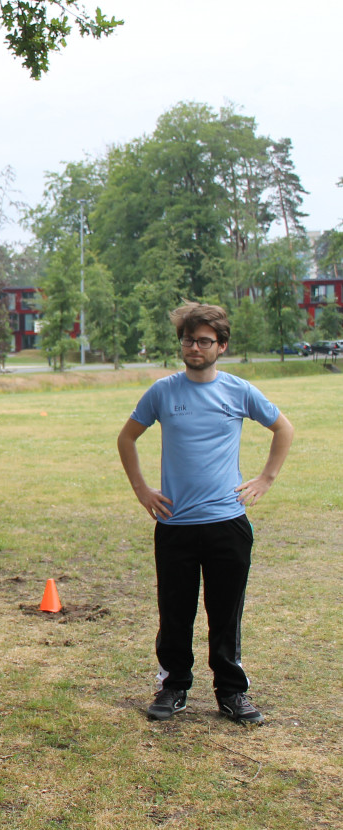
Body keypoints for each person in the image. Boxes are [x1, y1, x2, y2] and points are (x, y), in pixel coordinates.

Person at [117, 302, 293, 725]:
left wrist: (265, 479)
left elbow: (283, 428)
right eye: (188, 339)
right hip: (175, 524)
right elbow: (126, 438)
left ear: (222, 346)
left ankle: (231, 692)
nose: (193, 347)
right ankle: (173, 685)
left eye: (203, 341)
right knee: (175, 610)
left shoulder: (238, 390)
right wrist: (142, 490)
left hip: (227, 524)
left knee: (225, 610)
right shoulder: (163, 391)